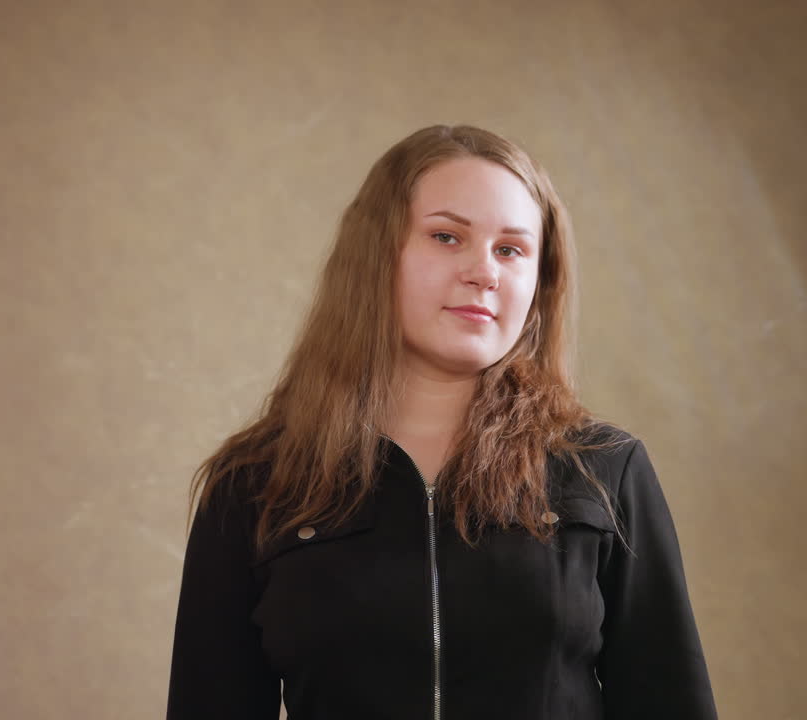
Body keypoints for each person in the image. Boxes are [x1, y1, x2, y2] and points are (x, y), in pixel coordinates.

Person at [166, 125, 717, 719]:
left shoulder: (604, 470)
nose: (485, 272)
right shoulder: (254, 484)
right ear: (375, 256)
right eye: (447, 237)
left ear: (540, 280)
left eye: (511, 249)